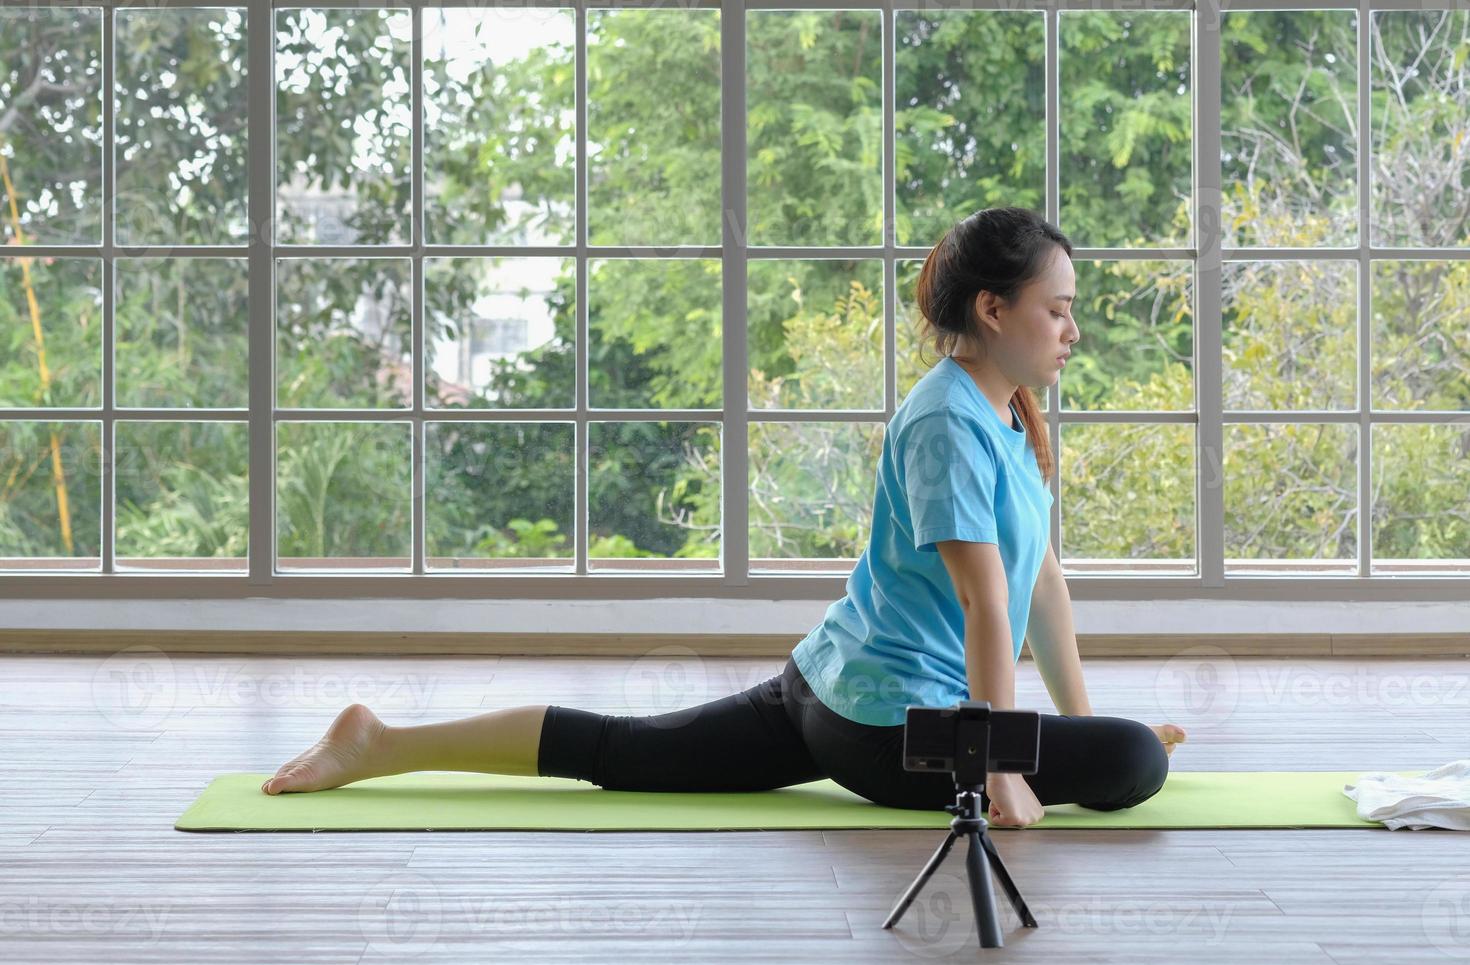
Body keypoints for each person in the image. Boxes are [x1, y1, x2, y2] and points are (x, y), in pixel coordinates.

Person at [261, 206, 1187, 828]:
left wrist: (1067, 727)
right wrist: (1002, 767)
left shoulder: (1004, 411)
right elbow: (988, 605)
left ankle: (378, 743)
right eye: (1058, 310)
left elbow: (1038, 586)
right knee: (1134, 763)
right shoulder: (947, 420)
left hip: (830, 688)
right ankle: (377, 742)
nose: (1074, 330)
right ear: (993, 309)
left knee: (627, 752)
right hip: (886, 725)